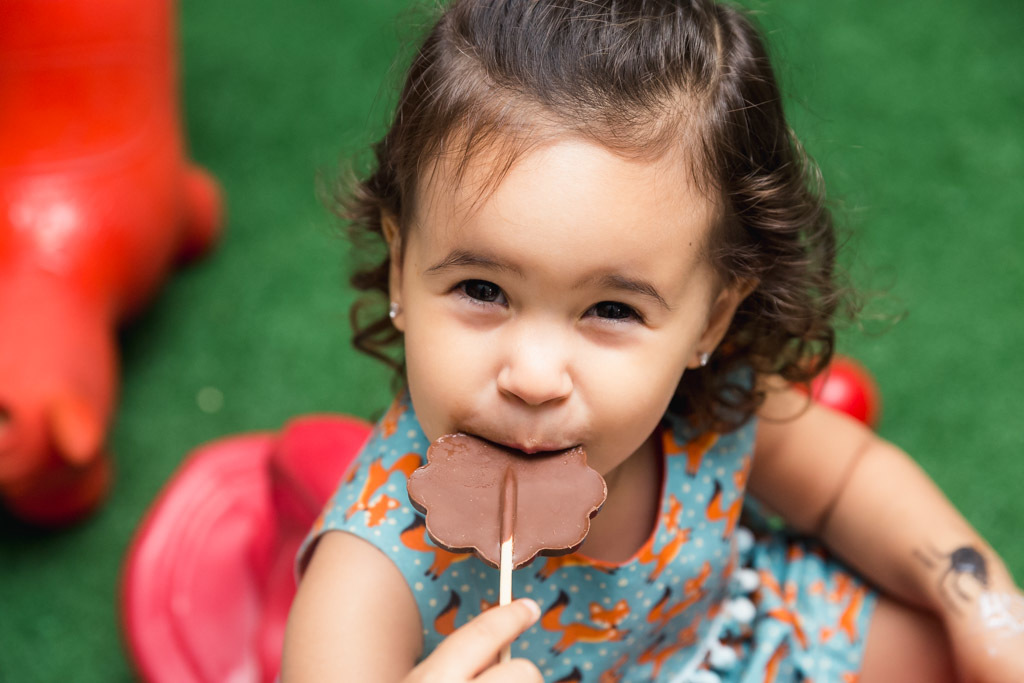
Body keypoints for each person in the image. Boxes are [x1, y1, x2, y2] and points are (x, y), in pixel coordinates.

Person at [282, 1, 1024, 681]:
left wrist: (980, 603)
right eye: (483, 290)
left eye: (611, 308)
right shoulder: (366, 575)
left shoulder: (710, 400)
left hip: (763, 638)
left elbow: (844, 483)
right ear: (401, 269)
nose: (534, 376)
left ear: (710, 318)